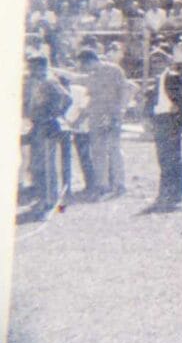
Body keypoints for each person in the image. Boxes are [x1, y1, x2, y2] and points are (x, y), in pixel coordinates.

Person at [144, 49, 182, 211]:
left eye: (159, 61)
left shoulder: (173, 77)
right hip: (160, 120)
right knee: (164, 157)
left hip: (171, 119)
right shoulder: (156, 80)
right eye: (154, 62)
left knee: (170, 157)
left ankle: (171, 192)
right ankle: (171, 191)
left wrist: (179, 105)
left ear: (167, 62)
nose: (156, 65)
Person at [77, 47, 130, 198]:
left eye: (84, 65)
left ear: (90, 61)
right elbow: (91, 98)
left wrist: (121, 110)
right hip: (96, 116)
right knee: (98, 151)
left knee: (114, 149)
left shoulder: (114, 70)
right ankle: (103, 185)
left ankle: (120, 184)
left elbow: (125, 90)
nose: (84, 69)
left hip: (113, 114)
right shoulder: (92, 75)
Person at [23, 54, 70, 219]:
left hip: (48, 126)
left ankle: (52, 202)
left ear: (41, 66)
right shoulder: (34, 82)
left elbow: (67, 98)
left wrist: (54, 115)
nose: (30, 70)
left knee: (47, 166)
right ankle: (42, 198)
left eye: (33, 66)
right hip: (37, 125)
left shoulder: (50, 81)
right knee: (37, 165)